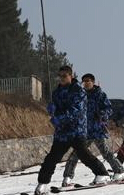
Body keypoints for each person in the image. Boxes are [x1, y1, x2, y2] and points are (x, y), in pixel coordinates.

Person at [34, 66, 109, 195]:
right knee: (52, 158)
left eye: (64, 76)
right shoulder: (57, 92)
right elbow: (56, 108)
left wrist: (60, 118)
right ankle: (43, 183)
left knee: (84, 155)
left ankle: (102, 174)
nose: (62, 78)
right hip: (62, 133)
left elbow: (76, 110)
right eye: (60, 75)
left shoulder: (79, 91)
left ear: (71, 76)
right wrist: (52, 109)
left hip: (76, 130)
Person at [62, 73, 124, 186]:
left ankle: (120, 171)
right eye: (84, 81)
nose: (86, 83)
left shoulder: (100, 95)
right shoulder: (81, 95)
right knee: (76, 154)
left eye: (88, 81)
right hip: (84, 131)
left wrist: (101, 114)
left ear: (93, 82)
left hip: (97, 129)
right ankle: (67, 177)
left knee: (106, 153)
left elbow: (108, 109)